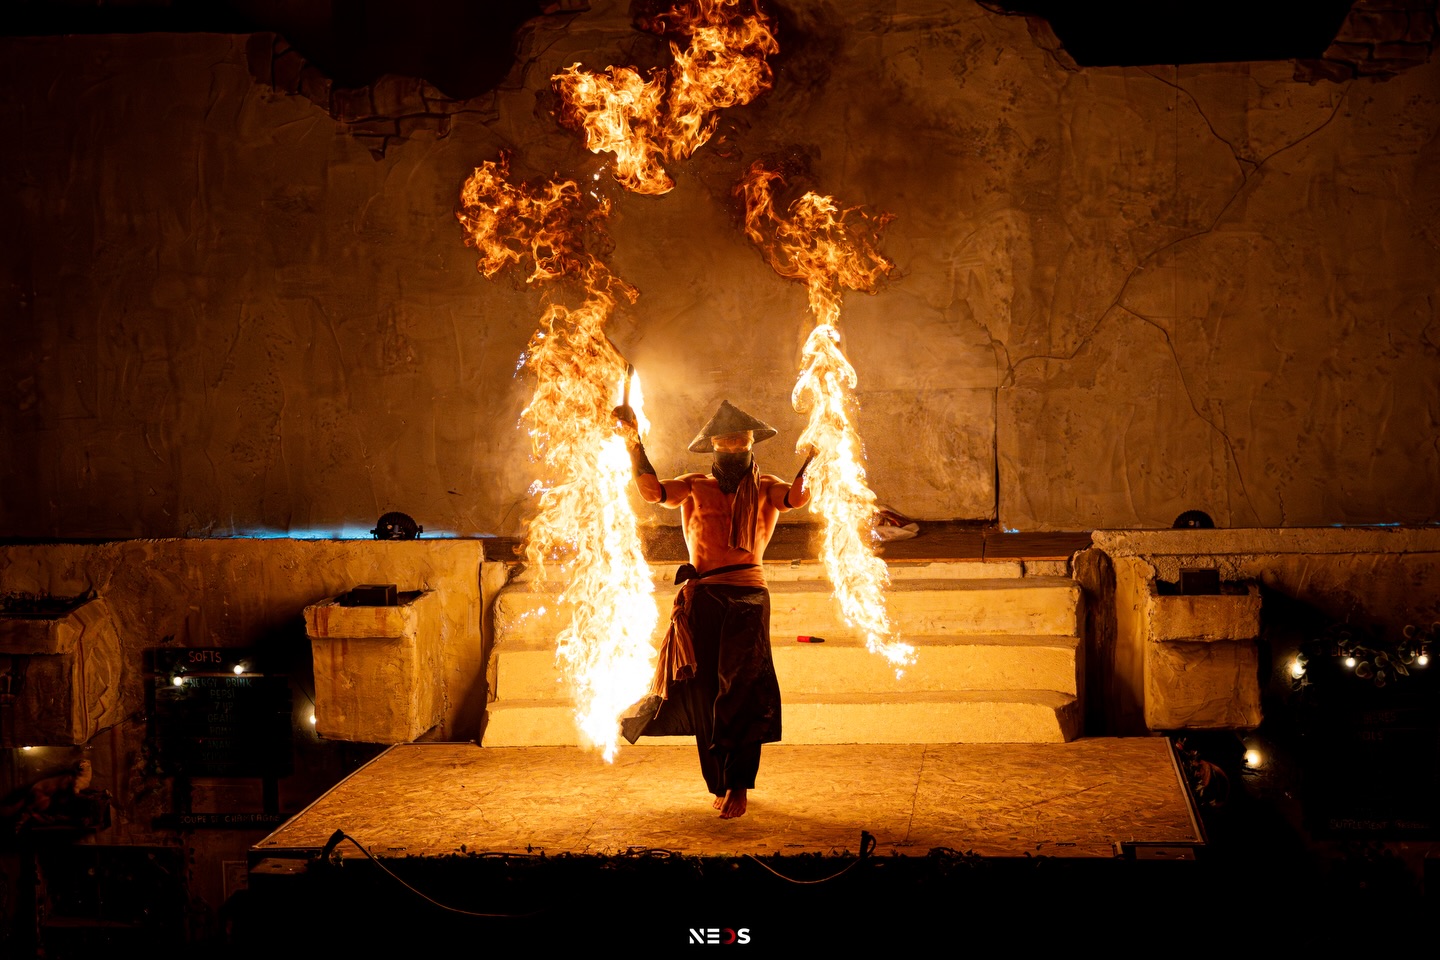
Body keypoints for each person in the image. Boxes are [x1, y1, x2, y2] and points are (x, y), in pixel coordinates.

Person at [613, 399, 814, 819]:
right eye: (726, 439)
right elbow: (652, 492)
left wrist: (813, 459)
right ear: (713, 446)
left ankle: (739, 783)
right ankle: (719, 781)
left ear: (751, 444)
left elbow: (796, 498)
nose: (733, 444)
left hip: (747, 597)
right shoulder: (694, 485)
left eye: (741, 438)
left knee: (740, 691)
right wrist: (634, 443)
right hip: (703, 597)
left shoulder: (766, 488)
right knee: (705, 692)